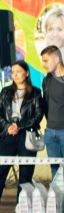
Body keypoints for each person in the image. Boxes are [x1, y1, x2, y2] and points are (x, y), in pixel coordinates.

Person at [0, 61, 44, 213]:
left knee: (26, 171)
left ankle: (21, 203)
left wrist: (20, 126)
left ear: (26, 73)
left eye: (19, 71)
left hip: (27, 135)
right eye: (13, 72)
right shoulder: (6, 92)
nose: (15, 74)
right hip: (8, 135)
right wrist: (8, 126)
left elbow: (38, 116)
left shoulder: (36, 92)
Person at [42, 45, 64, 178]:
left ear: (56, 59)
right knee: (55, 170)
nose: (43, 64)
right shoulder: (47, 80)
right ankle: (59, 198)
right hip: (50, 132)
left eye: (46, 60)